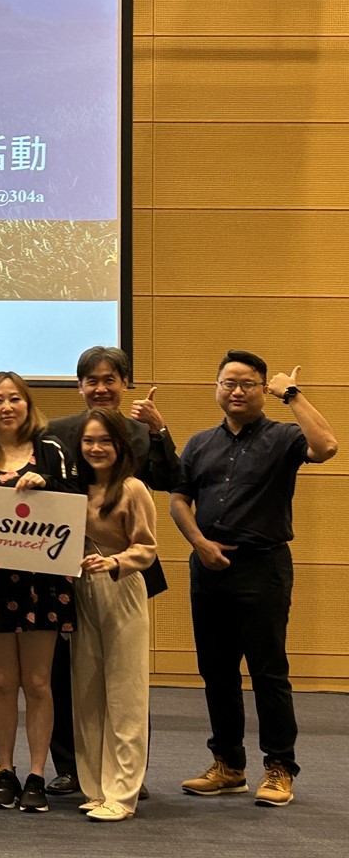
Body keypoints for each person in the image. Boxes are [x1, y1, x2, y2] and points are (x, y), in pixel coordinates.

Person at [170, 351, 337, 807]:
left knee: (268, 672)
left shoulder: (283, 436)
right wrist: (200, 544)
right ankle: (228, 765)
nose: (237, 391)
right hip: (208, 567)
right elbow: (179, 499)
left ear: (264, 389)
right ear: (217, 388)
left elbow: (326, 447)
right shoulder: (200, 443)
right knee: (217, 672)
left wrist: (293, 395)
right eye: (228, 383)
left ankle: (280, 766)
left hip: (263, 567)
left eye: (247, 383)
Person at [43, 345, 180, 796]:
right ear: (79, 386)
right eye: (92, 380)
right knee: (73, 679)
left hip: (123, 573)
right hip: (67, 574)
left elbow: (171, 480)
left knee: (126, 680)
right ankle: (74, 768)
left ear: (124, 384)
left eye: (110, 380)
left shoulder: (140, 432)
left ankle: (128, 775)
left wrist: (160, 432)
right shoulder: (56, 432)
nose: (101, 388)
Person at [0, 371, 77, 813]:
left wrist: (47, 486)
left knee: (39, 682)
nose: (6, 407)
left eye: (14, 399)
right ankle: (5, 770)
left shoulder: (51, 450)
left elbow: (74, 503)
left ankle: (38, 774)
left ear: (27, 405)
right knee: (1, 682)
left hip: (42, 582)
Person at [71, 409, 157, 822]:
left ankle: (122, 793)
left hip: (120, 586)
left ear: (120, 445)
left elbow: (147, 548)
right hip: (80, 589)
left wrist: (116, 562)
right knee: (86, 692)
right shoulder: (74, 487)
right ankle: (95, 787)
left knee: (125, 693)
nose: (96, 448)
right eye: (89, 441)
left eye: (105, 440)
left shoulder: (132, 488)